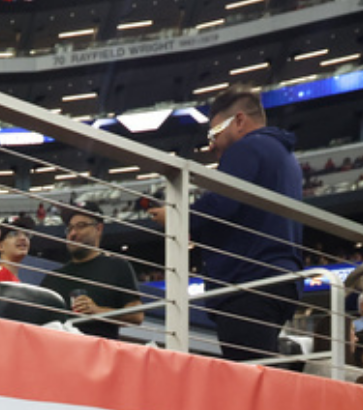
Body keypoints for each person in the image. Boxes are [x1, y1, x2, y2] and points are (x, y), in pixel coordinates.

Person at [152, 87, 305, 363]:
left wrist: (176, 216)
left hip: (248, 282)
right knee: (261, 373)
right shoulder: (285, 156)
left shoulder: (246, 148)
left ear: (239, 120)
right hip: (278, 278)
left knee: (249, 382)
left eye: (214, 134)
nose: (212, 146)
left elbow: (220, 205)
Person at [39, 207, 142, 339]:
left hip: (100, 354)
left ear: (98, 229)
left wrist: (97, 311)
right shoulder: (53, 278)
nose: (73, 233)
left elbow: (137, 315)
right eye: (69, 229)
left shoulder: (117, 267)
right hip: (60, 353)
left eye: (80, 226)